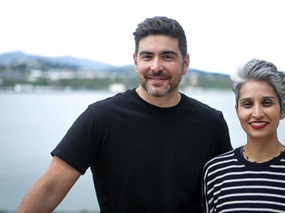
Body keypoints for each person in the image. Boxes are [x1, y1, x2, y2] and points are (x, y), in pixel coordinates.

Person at [17, 16, 232, 213]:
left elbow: (227, 196)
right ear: (135, 61)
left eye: (167, 57)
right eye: (147, 56)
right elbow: (50, 189)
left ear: (185, 64)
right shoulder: (100, 118)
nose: (156, 67)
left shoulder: (211, 123)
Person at [203, 58, 285, 213]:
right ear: (237, 110)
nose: (257, 114)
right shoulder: (214, 172)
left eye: (266, 103)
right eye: (247, 104)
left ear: (283, 110)